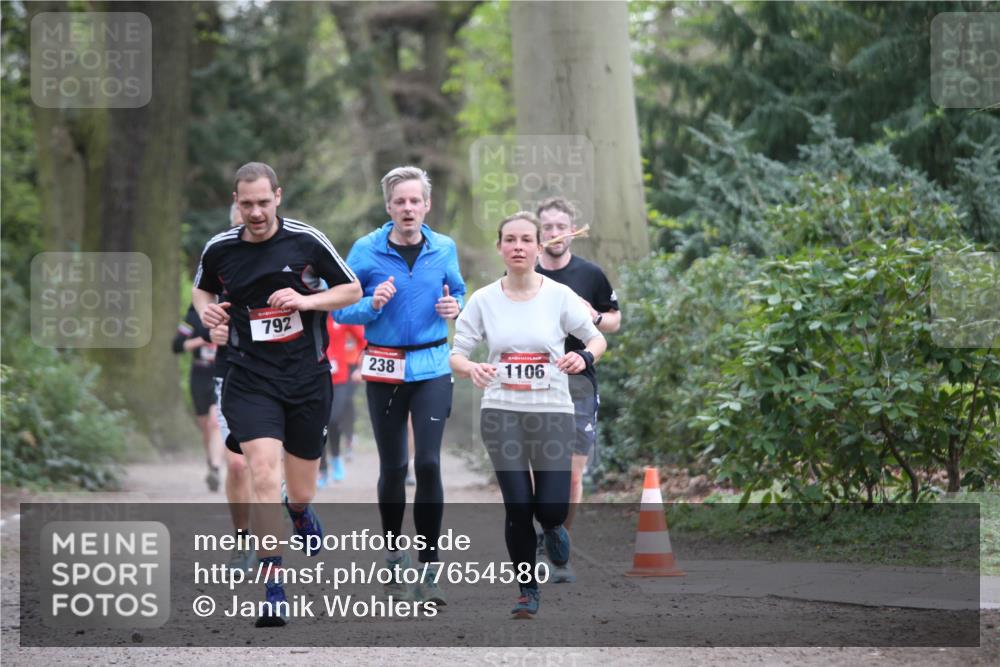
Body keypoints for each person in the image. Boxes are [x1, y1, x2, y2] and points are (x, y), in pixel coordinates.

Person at [193, 162, 361, 627]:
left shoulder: (306, 241)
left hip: (307, 378)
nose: (256, 212)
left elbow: (352, 289)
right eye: (246, 204)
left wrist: (307, 301)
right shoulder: (221, 248)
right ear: (236, 201)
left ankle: (300, 511)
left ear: (278, 197)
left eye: (263, 202)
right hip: (250, 378)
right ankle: (273, 587)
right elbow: (202, 291)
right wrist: (210, 316)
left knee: (300, 490)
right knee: (262, 471)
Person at [450, 211, 606, 619]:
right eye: (510, 240)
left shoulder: (558, 295)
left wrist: (583, 355)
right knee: (518, 507)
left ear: (539, 247)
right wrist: (473, 368)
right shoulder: (484, 299)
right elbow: (457, 353)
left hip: (552, 411)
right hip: (502, 411)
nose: (518, 247)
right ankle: (526, 590)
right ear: (500, 247)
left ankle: (553, 527)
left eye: (526, 240)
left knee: (549, 508)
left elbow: (597, 337)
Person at [333, 165, 465, 605]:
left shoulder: (444, 247)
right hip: (384, 369)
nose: (408, 208)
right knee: (394, 468)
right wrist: (372, 303)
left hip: (431, 365)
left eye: (415, 201)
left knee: (427, 463)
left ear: (426, 206)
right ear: (388, 207)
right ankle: (393, 556)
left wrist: (453, 305)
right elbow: (340, 310)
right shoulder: (365, 251)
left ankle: (429, 567)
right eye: (400, 201)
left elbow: (460, 293)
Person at [534, 197, 621, 584]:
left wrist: (596, 316)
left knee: (571, 474)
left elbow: (614, 320)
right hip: (534, 379)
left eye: (560, 225)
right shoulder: (526, 274)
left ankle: (559, 543)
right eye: (547, 227)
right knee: (538, 469)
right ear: (538, 232)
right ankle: (540, 533)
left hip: (579, 380)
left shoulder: (591, 274)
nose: (555, 233)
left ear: (574, 229)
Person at [211, 204, 254, 571]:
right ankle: (242, 543)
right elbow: (200, 317)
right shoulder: (217, 263)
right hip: (231, 372)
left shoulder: (286, 261)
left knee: (268, 466)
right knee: (238, 466)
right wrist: (214, 330)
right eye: (240, 225)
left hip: (278, 373)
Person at [172, 304, 225, 492]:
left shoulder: (231, 306)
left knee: (215, 422)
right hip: (199, 374)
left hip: (220, 371)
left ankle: (217, 469)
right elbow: (177, 345)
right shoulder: (193, 315)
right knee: (205, 426)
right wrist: (204, 340)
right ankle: (211, 461)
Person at [318, 315, 365, 486]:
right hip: (314, 379)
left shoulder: (340, 315)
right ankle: (322, 470)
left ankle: (336, 457)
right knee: (317, 424)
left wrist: (360, 368)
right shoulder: (309, 312)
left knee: (333, 419)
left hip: (339, 379)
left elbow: (363, 340)